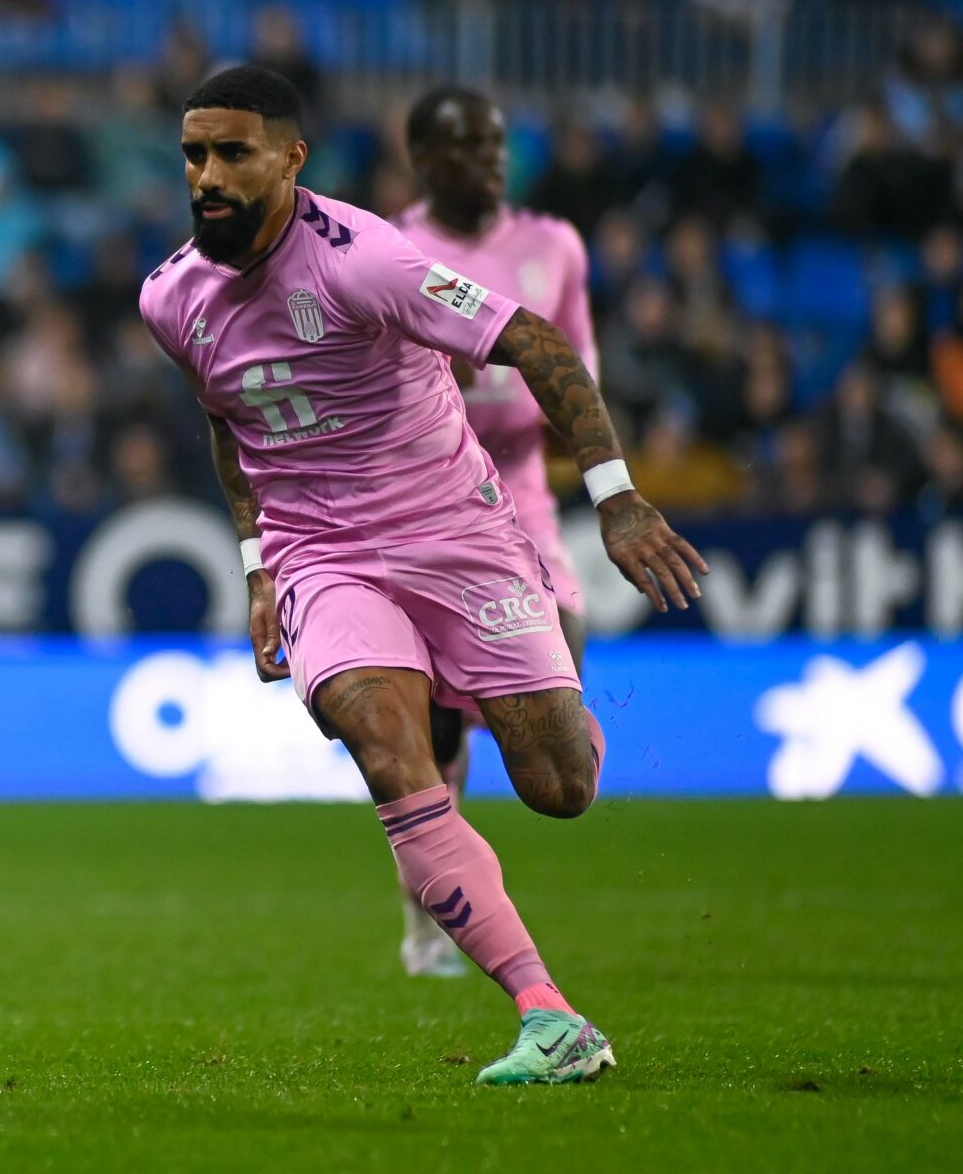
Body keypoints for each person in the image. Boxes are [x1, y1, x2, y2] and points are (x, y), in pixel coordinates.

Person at [136, 66, 704, 1085]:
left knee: (560, 787)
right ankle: (550, 1018)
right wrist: (259, 566)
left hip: (452, 529)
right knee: (387, 750)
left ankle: (529, 694)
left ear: (290, 158)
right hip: (322, 555)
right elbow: (228, 422)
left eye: (231, 153)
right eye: (193, 155)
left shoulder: (365, 261)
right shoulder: (169, 297)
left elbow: (536, 343)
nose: (206, 176)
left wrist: (617, 496)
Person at [390, 85, 600, 979]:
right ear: (422, 160)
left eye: (497, 144)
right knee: (432, 731)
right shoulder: (388, 251)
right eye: (467, 146)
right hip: (425, 497)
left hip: (520, 490)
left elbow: (575, 365)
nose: (489, 160)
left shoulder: (555, 247)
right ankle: (427, 920)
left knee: (565, 650)